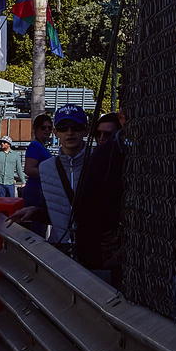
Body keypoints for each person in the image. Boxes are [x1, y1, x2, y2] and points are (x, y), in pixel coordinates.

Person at [9, 104, 88, 258]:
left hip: (91, 250)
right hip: (60, 248)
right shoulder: (46, 168)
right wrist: (35, 212)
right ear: (56, 132)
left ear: (86, 129)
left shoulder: (98, 163)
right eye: (64, 127)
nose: (70, 132)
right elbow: (57, 213)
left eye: (76, 127)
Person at [73, 111, 125, 283]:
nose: (102, 138)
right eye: (98, 134)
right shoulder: (95, 157)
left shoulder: (118, 159)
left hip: (110, 240)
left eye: (108, 135)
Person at [21, 112, 54, 237]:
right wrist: (50, 174)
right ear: (35, 129)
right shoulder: (35, 146)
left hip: (41, 191)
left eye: (49, 128)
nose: (46, 130)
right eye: (43, 127)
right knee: (36, 231)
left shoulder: (42, 147)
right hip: (35, 191)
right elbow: (29, 169)